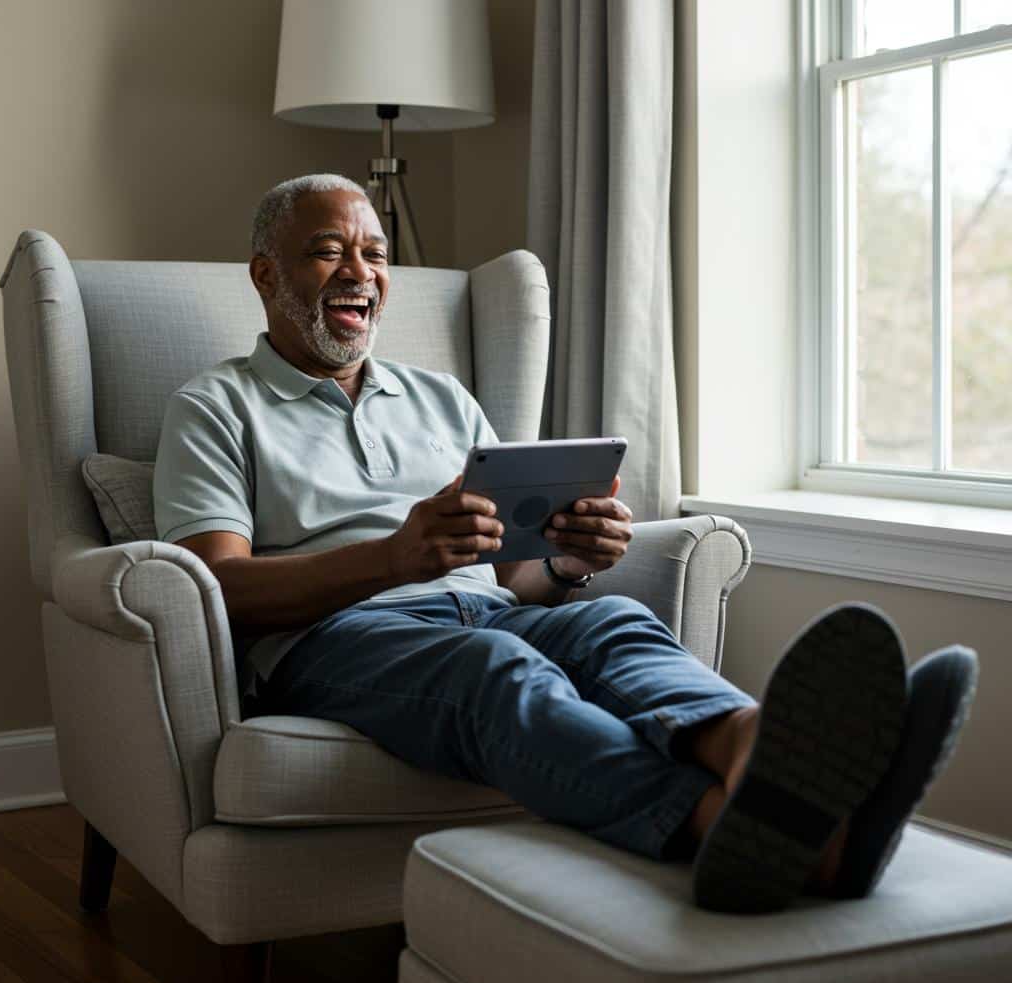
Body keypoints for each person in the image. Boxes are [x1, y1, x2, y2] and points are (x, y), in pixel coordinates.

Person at [153, 174, 977, 913]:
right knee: (497, 673)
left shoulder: (443, 400)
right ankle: (725, 824)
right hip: (337, 643)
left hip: (482, 611)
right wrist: (390, 561)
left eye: (374, 253)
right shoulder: (216, 407)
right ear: (266, 275)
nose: (360, 273)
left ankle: (756, 748)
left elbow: (515, 578)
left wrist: (567, 560)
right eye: (328, 252)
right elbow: (217, 587)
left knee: (609, 624)